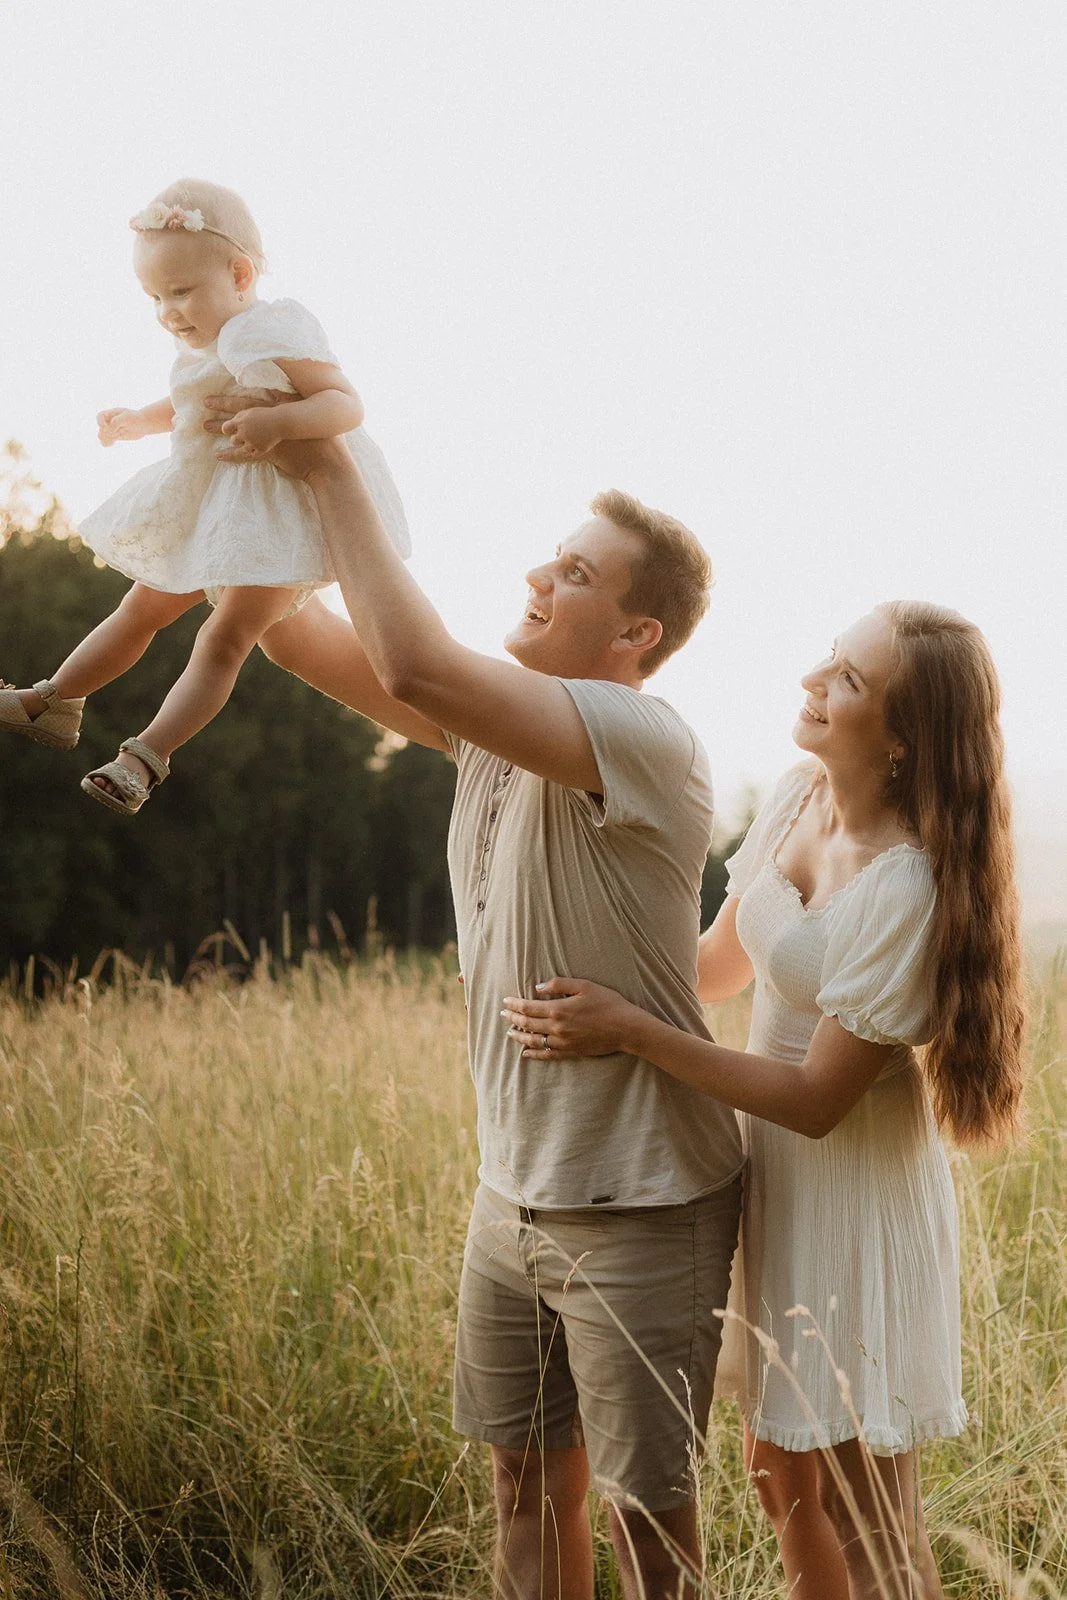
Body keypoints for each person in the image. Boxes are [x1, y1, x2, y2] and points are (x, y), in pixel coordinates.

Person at [202, 402, 744, 1599]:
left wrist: (330, 455)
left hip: (641, 1205)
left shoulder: (644, 735)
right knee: (520, 1495)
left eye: (574, 570)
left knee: (649, 1537)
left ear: (636, 630)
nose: (538, 576)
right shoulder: (496, 734)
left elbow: (408, 660)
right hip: (509, 1199)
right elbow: (295, 632)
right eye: (550, 556)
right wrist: (224, 483)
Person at [502, 604, 1025, 1599]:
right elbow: (710, 968)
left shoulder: (902, 886)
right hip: (769, 1186)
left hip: (850, 1204)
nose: (810, 681)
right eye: (829, 659)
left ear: (904, 737)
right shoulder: (796, 798)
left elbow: (816, 1096)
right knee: (779, 1475)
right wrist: (580, 921)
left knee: (868, 1512)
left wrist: (627, 1031)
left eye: (846, 680)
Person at [0, 177, 408, 814]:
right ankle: (53, 700)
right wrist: (139, 419)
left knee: (224, 638)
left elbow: (344, 403)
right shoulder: (204, 343)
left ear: (240, 272)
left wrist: (279, 422)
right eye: (156, 297)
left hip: (277, 516)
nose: (168, 311)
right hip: (213, 507)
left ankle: (145, 757)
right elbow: (193, 399)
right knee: (141, 608)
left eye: (182, 291)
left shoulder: (271, 328)